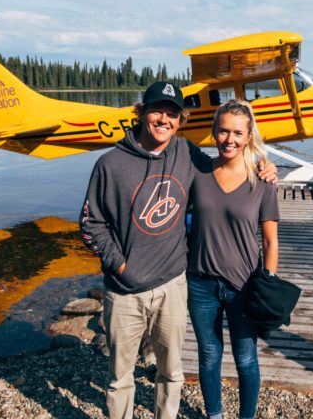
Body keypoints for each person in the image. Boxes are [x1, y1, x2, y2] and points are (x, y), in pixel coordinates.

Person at [79, 82, 276, 419]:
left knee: (173, 373)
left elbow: (229, 171)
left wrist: (266, 168)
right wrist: (121, 267)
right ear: (142, 113)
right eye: (157, 110)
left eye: (172, 114)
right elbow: (90, 223)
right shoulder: (111, 164)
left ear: (181, 120)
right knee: (120, 378)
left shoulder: (186, 154)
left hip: (176, 284)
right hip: (132, 288)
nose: (164, 119)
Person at [186, 99, 279, 419]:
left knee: (246, 358)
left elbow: (270, 241)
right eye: (223, 131)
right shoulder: (198, 173)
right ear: (213, 133)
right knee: (209, 356)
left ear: (249, 135)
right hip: (200, 285)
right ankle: (214, 414)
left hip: (244, 286)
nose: (229, 139)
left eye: (238, 133)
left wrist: (266, 285)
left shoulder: (263, 180)